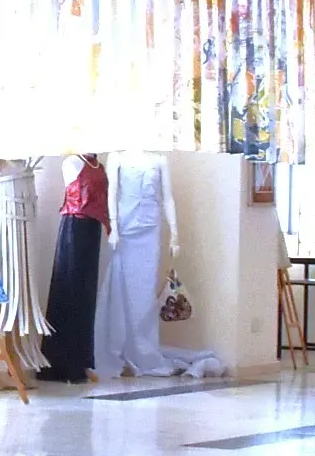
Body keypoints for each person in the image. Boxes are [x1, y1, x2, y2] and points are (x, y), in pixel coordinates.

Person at [92, 154, 225, 379]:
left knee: (144, 293)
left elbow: (168, 199)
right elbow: (112, 193)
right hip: (125, 229)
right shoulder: (117, 158)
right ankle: (118, 349)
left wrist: (175, 234)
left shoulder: (160, 160)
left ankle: (144, 352)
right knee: (120, 289)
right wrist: (113, 227)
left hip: (150, 229)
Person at [39, 153, 106, 382]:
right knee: (69, 290)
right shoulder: (72, 162)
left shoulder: (98, 164)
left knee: (86, 295)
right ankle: (61, 363)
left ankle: (82, 361)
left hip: (92, 229)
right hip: (74, 227)